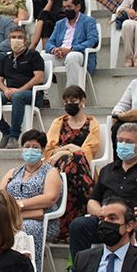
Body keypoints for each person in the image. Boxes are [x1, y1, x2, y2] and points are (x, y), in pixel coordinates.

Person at [67, 123, 137, 258]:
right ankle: (80, 269)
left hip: (135, 222)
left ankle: (134, 270)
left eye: (129, 142)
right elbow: (92, 201)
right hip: (106, 221)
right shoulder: (107, 170)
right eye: (120, 141)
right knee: (78, 226)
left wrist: (133, 214)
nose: (123, 144)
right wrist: (101, 214)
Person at [0, 129, 63, 272]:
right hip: (13, 217)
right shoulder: (13, 172)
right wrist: (17, 210)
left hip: (42, 221)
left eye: (35, 147)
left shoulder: (50, 172)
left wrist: (19, 205)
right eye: (27, 146)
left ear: (42, 150)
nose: (31, 150)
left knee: (25, 228)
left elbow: (49, 198)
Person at [44, 84, 101, 242]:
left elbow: (90, 149)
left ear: (82, 101)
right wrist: (67, 151)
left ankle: (67, 229)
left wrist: (69, 151)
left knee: (76, 161)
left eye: (73, 100)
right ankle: (91, 198)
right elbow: (50, 149)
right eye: (66, 101)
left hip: (83, 165)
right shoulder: (59, 122)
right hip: (60, 165)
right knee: (72, 160)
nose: (70, 104)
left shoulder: (91, 123)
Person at [0, 28, 45, 149]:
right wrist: (5, 90)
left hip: (32, 94)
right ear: (9, 40)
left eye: (19, 37)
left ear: (25, 41)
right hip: (10, 92)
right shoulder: (5, 59)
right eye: (13, 37)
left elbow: (39, 78)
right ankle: (6, 132)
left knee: (18, 96)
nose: (16, 40)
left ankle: (14, 136)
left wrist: (19, 90)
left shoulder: (33, 55)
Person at [45, 0, 99, 89]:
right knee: (42, 58)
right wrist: (54, 49)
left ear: (78, 7)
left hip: (78, 53)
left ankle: (72, 95)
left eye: (69, 7)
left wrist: (71, 49)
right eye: (64, 8)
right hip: (60, 54)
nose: (66, 10)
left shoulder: (88, 21)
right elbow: (49, 42)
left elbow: (92, 41)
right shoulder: (59, 23)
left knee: (71, 57)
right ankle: (43, 95)